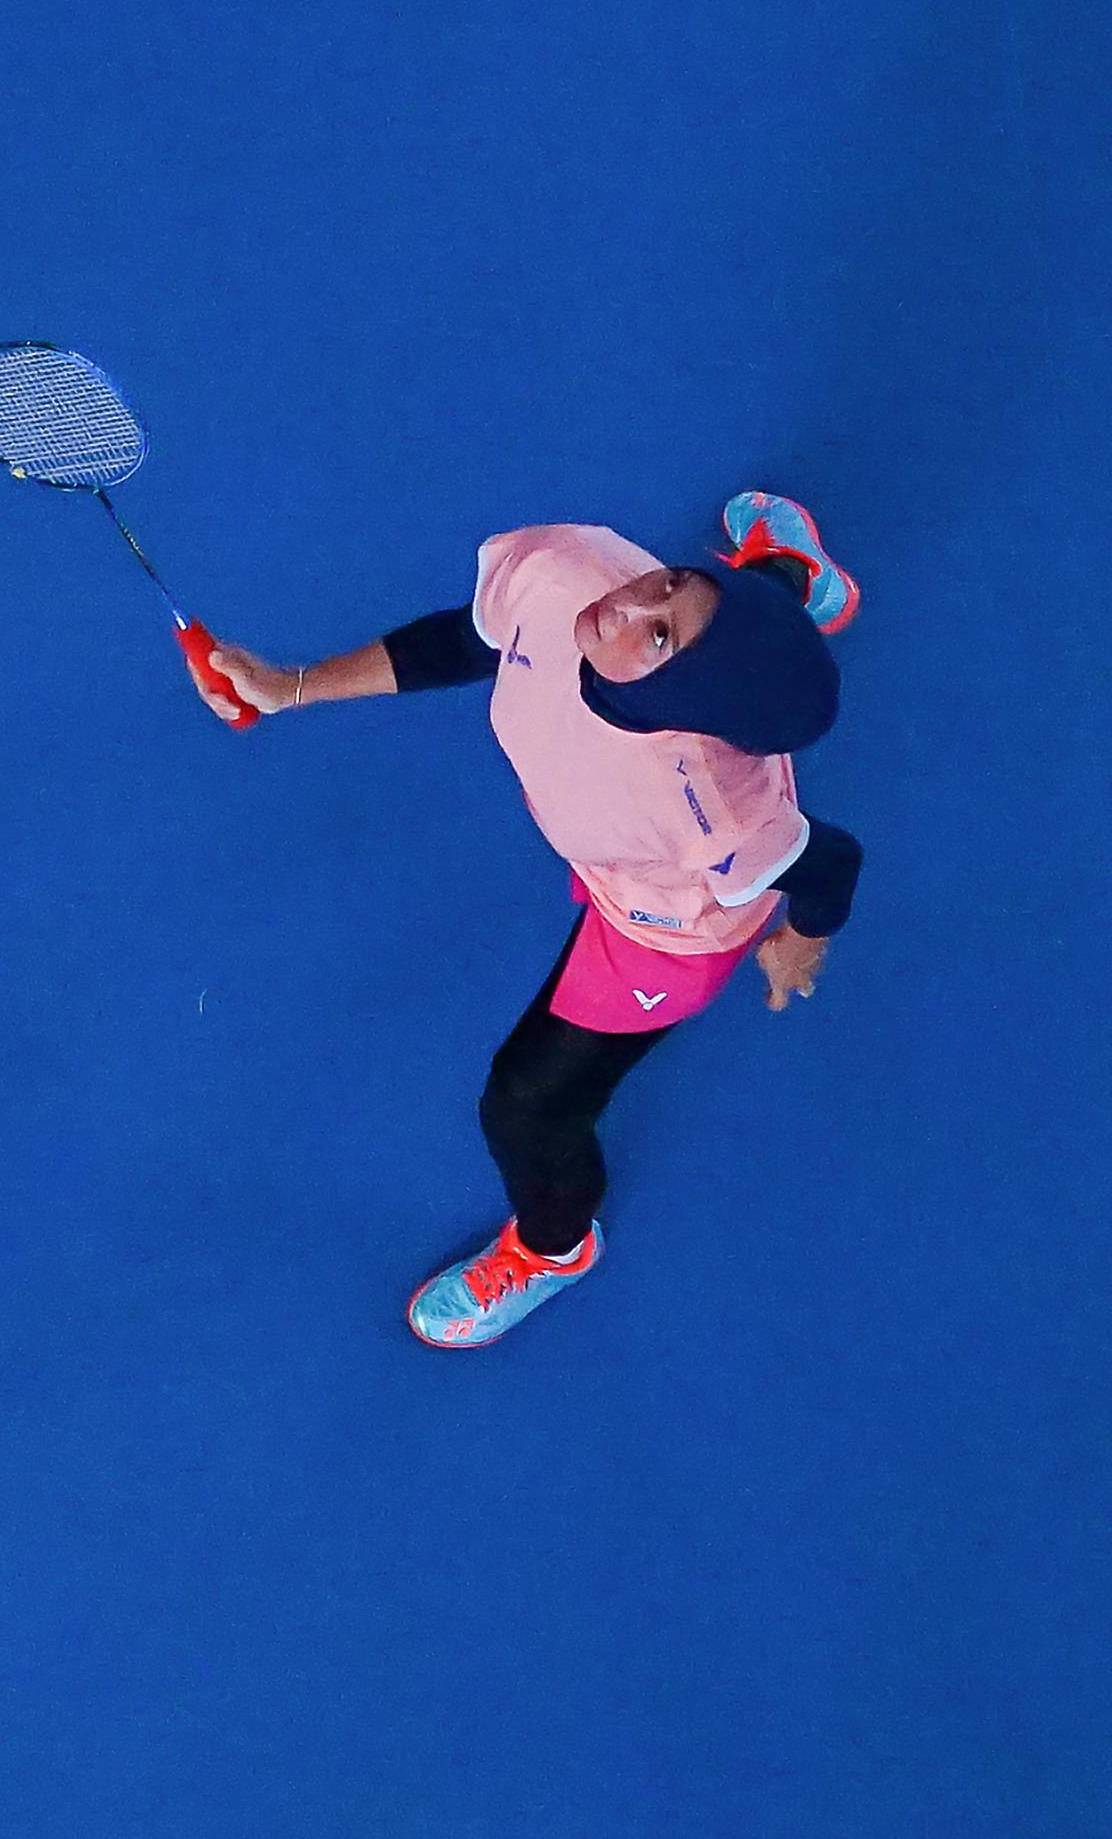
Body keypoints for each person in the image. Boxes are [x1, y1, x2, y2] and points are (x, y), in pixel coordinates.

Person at [202, 494, 862, 1350]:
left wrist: (801, 940)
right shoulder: (570, 578)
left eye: (657, 637)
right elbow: (478, 639)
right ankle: (782, 570)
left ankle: (553, 1248)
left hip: (660, 927)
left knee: (527, 1110)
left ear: (680, 704)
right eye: (667, 585)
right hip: (609, 841)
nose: (630, 604)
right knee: (729, 622)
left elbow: (829, 861)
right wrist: (292, 687)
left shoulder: (716, 814)